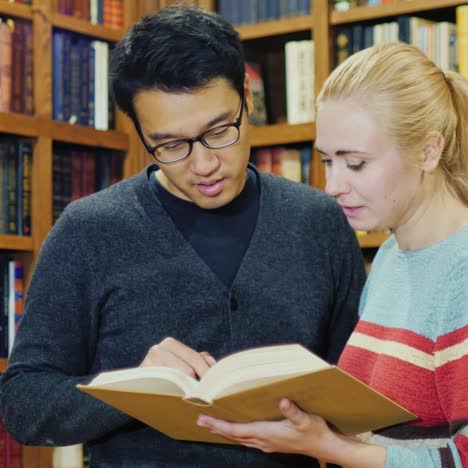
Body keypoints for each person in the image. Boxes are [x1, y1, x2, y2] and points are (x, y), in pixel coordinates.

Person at [0, 5, 366, 467]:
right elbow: (24, 404)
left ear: (248, 102)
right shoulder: (87, 231)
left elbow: (359, 385)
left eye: (219, 131)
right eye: (171, 145)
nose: (204, 164)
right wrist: (134, 388)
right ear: (140, 135)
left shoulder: (319, 221)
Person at [197, 41, 468, 467]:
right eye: (327, 161)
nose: (333, 185)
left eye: (355, 163)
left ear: (429, 151)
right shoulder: (394, 254)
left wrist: (327, 446)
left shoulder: (462, 274)